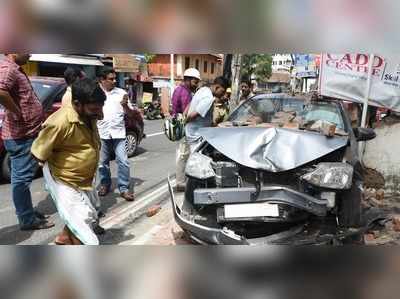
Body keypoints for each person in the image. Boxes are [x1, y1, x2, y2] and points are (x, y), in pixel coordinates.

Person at [31, 78, 106, 245]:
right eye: (95, 109)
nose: (100, 114)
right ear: (77, 104)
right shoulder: (58, 123)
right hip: (63, 179)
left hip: (84, 178)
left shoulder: (89, 112)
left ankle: (65, 237)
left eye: (101, 107)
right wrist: (57, 188)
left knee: (91, 212)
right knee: (88, 238)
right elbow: (38, 154)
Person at [0, 53, 54, 230]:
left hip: (24, 134)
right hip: (21, 136)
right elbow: (1, 91)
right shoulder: (8, 68)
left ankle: (27, 211)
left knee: (22, 179)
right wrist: (17, 113)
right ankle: (27, 219)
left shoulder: (15, 68)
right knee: (21, 180)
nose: (30, 53)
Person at [175, 77, 229, 191]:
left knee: (186, 158)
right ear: (217, 87)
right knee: (197, 165)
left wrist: (183, 119)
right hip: (197, 136)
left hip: (190, 132)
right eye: (222, 91)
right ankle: (194, 189)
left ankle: (183, 183)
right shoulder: (209, 98)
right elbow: (192, 115)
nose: (223, 94)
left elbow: (189, 105)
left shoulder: (203, 90)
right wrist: (184, 121)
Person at [97, 67, 135, 201]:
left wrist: (125, 106)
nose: (114, 81)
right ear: (102, 80)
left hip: (118, 133)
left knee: (123, 161)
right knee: (102, 163)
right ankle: (105, 184)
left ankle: (123, 188)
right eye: (110, 79)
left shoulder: (121, 93)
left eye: (114, 78)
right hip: (102, 133)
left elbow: (130, 114)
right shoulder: (95, 92)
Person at [173, 68, 201, 190]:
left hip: (180, 126)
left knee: (183, 153)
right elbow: (187, 114)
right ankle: (180, 182)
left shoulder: (179, 90)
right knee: (183, 154)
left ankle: (182, 179)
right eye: (195, 82)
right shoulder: (184, 92)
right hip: (185, 127)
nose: (196, 85)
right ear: (188, 80)